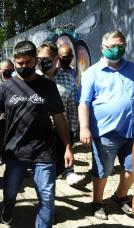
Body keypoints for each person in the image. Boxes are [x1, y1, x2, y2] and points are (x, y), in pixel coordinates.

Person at [0, 41, 74, 228]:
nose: (24, 66)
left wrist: (67, 147)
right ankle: (8, 205)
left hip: (43, 152)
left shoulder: (47, 86)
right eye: (20, 63)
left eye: (28, 62)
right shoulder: (6, 86)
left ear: (36, 60)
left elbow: (59, 117)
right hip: (14, 152)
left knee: (47, 198)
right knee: (10, 190)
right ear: (14, 62)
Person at [79, 30, 133, 220]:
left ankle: (120, 196)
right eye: (112, 46)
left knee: (131, 168)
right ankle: (97, 202)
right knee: (103, 170)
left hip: (131, 131)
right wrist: (84, 128)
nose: (116, 49)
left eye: (120, 45)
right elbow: (84, 103)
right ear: (103, 48)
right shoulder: (92, 73)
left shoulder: (132, 69)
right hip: (105, 132)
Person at [37, 42, 84, 186]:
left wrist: (74, 129)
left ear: (56, 59)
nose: (42, 62)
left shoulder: (68, 79)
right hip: (37, 130)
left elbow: (72, 106)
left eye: (47, 59)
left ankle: (68, 172)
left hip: (61, 128)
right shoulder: (32, 80)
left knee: (63, 154)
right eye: (39, 59)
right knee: (43, 167)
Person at [0, 59, 15, 165]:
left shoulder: (17, 81)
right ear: (1, 69)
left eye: (10, 69)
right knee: (0, 136)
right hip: (1, 115)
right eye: (5, 69)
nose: (8, 71)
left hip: (14, 115)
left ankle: (10, 156)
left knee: (12, 136)